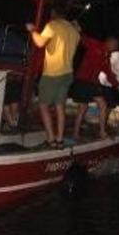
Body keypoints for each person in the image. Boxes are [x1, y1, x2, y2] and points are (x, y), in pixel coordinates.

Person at [26, 8, 80, 148]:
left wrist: (32, 30)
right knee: (59, 106)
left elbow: (39, 42)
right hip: (67, 73)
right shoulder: (74, 30)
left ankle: (51, 140)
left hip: (52, 73)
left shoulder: (52, 25)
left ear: (53, 14)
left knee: (43, 105)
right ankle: (59, 139)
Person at [70, 35, 119, 140]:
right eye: (115, 45)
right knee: (84, 108)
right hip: (82, 81)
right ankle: (77, 134)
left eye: (116, 46)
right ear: (109, 42)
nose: (115, 48)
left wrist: (117, 85)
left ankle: (100, 132)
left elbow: (108, 72)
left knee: (100, 105)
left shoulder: (107, 56)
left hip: (91, 83)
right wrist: (76, 31)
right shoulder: (95, 44)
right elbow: (82, 38)